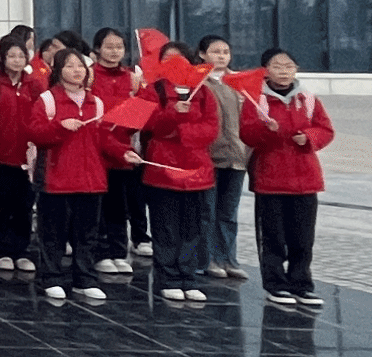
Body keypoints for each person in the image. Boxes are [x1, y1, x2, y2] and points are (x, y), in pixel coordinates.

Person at [27, 48, 121, 302]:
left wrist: (124, 152)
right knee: (53, 233)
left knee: (87, 235)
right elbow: (35, 133)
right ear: (58, 71)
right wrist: (59, 127)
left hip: (91, 179)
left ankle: (84, 279)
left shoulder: (96, 102)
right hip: (56, 179)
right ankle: (51, 278)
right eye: (69, 66)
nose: (77, 71)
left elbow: (103, 138)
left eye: (80, 66)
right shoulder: (48, 100)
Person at [244, 48, 334, 308]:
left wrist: (310, 137)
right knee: (273, 237)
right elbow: (246, 134)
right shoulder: (255, 100)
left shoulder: (308, 99)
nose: (284, 72)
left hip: (305, 179)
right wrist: (267, 129)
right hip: (270, 178)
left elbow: (326, 129)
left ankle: (302, 284)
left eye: (289, 66)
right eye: (277, 66)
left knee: (303, 239)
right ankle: (276, 284)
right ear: (265, 71)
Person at [142, 41, 220, 302]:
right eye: (168, 59)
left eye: (179, 59)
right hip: (163, 169)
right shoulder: (154, 90)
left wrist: (182, 132)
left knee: (192, 228)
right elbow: (150, 125)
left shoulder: (203, 92)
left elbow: (211, 129)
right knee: (165, 228)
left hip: (197, 171)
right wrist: (173, 115)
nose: (174, 64)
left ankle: (188, 277)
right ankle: (168, 278)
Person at [0, 38, 40, 273]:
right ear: (3, 58)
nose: (17, 60)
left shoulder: (34, 85)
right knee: (2, 205)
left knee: (24, 206)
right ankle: (3, 250)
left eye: (21, 56)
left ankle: (21, 250)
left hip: (27, 158)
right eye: (12, 56)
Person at [89, 27, 146, 274]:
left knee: (119, 206)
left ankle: (118, 252)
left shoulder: (131, 78)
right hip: (96, 150)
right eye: (109, 46)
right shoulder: (89, 75)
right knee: (98, 206)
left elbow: (141, 113)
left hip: (122, 149)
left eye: (119, 47)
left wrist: (131, 115)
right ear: (98, 48)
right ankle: (101, 252)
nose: (114, 52)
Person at [197, 34, 251, 280]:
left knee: (229, 213)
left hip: (236, 156)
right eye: (215, 52)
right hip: (209, 156)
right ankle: (208, 258)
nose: (221, 56)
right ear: (202, 54)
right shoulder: (198, 83)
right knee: (207, 211)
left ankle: (228, 258)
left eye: (225, 52)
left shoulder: (239, 83)